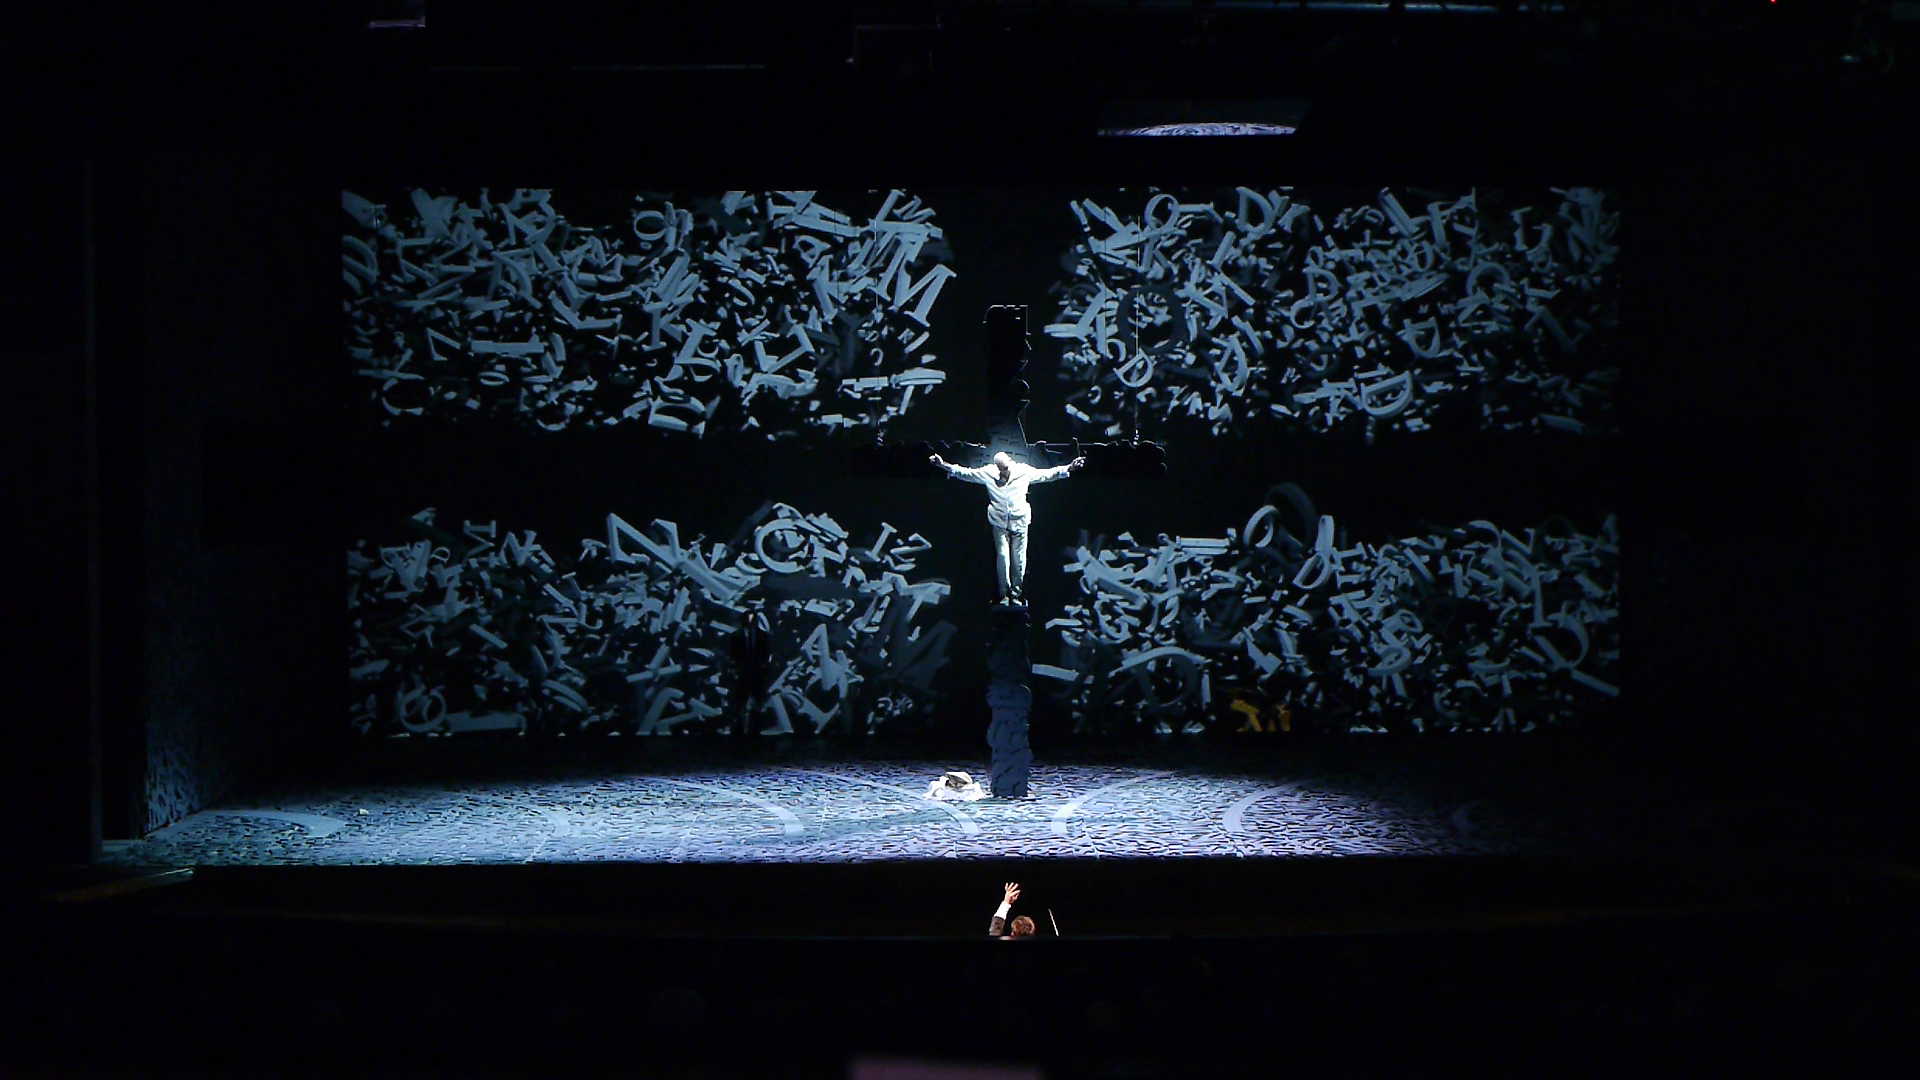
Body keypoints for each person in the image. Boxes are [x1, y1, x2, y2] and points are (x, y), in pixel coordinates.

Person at [929, 450, 1086, 606]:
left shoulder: (1023, 471)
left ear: (1010, 463)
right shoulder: (989, 473)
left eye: (1005, 468)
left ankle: (1016, 595)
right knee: (1003, 558)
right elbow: (966, 473)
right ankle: (1004, 595)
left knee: (1019, 560)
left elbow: (1047, 474)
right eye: (1001, 469)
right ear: (996, 467)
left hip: (1020, 523)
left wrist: (1069, 467)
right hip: (999, 523)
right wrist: (943, 465)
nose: (1004, 472)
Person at [729, 600, 772, 736]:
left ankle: (755, 728)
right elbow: (733, 653)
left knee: (757, 702)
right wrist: (736, 668)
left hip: (757, 673)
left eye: (752, 619)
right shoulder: (736, 635)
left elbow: (766, 653)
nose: (750, 622)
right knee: (740, 701)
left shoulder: (763, 636)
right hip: (742, 673)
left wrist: (763, 667)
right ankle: (739, 729)